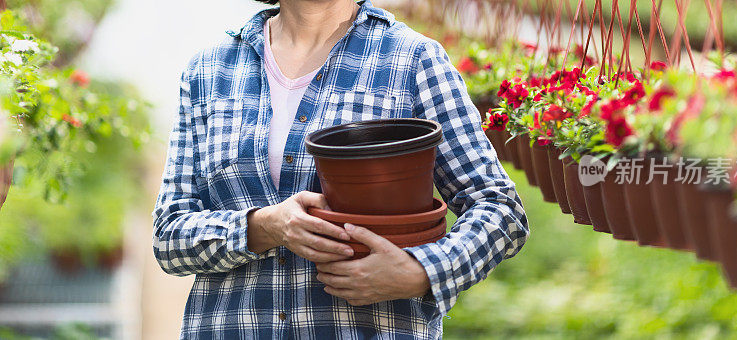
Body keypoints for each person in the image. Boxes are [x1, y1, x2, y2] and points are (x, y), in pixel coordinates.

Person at [152, 0, 528, 338]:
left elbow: (500, 208)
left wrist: (421, 272)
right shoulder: (209, 69)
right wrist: (265, 226)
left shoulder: (412, 59)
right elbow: (169, 236)